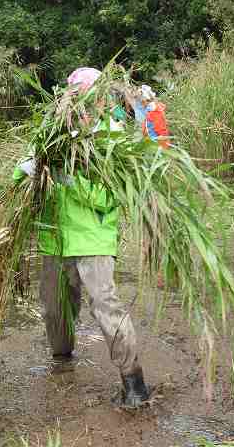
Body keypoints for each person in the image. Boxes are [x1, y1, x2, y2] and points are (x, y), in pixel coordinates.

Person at [14, 68, 149, 408]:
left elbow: (108, 198)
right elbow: (20, 182)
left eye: (88, 94)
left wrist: (68, 180)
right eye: (76, 95)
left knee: (106, 307)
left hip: (92, 240)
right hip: (54, 239)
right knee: (54, 309)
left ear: (100, 98)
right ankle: (63, 362)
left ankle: (133, 383)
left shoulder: (111, 137)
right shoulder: (51, 135)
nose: (82, 101)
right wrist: (26, 168)